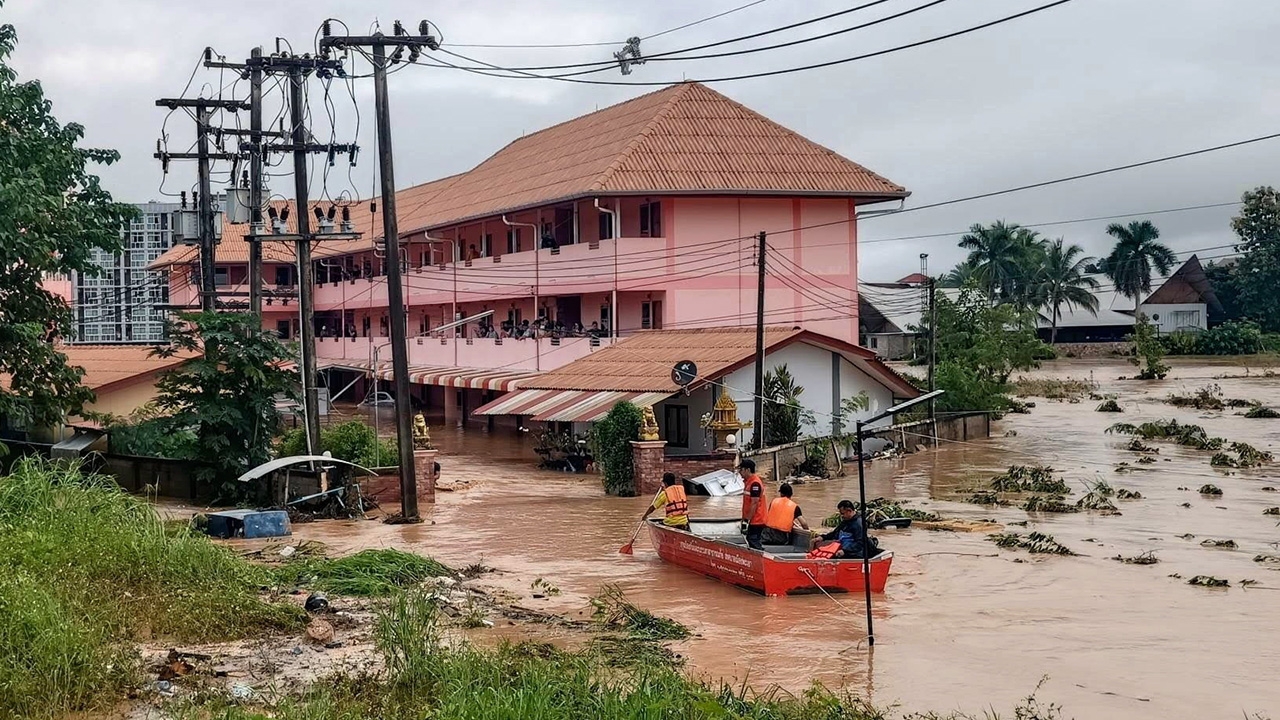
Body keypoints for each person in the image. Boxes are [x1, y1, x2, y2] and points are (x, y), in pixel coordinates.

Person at [737, 459, 768, 550]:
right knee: (751, 540)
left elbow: (754, 503)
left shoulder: (755, 484)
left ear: (748, 470)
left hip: (757, 519)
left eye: (741, 470)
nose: (740, 473)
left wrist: (747, 520)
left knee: (753, 540)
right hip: (753, 519)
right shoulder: (749, 482)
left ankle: (762, 558)